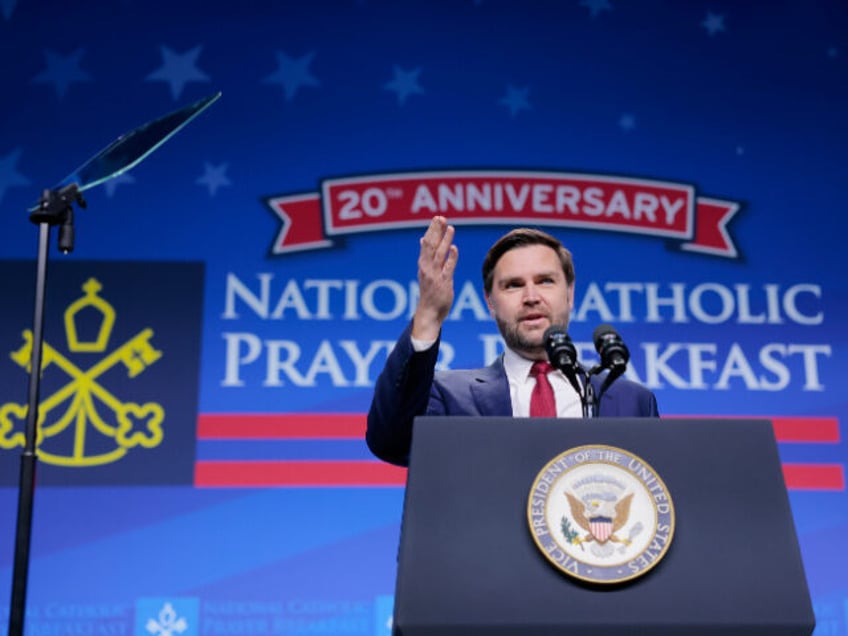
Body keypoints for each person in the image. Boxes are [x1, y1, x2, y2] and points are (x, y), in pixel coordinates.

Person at [366, 216, 659, 466]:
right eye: (513, 285)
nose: (531, 297)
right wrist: (428, 314)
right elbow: (391, 440)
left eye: (545, 281)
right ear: (490, 303)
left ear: (569, 294)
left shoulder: (631, 401)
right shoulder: (449, 396)